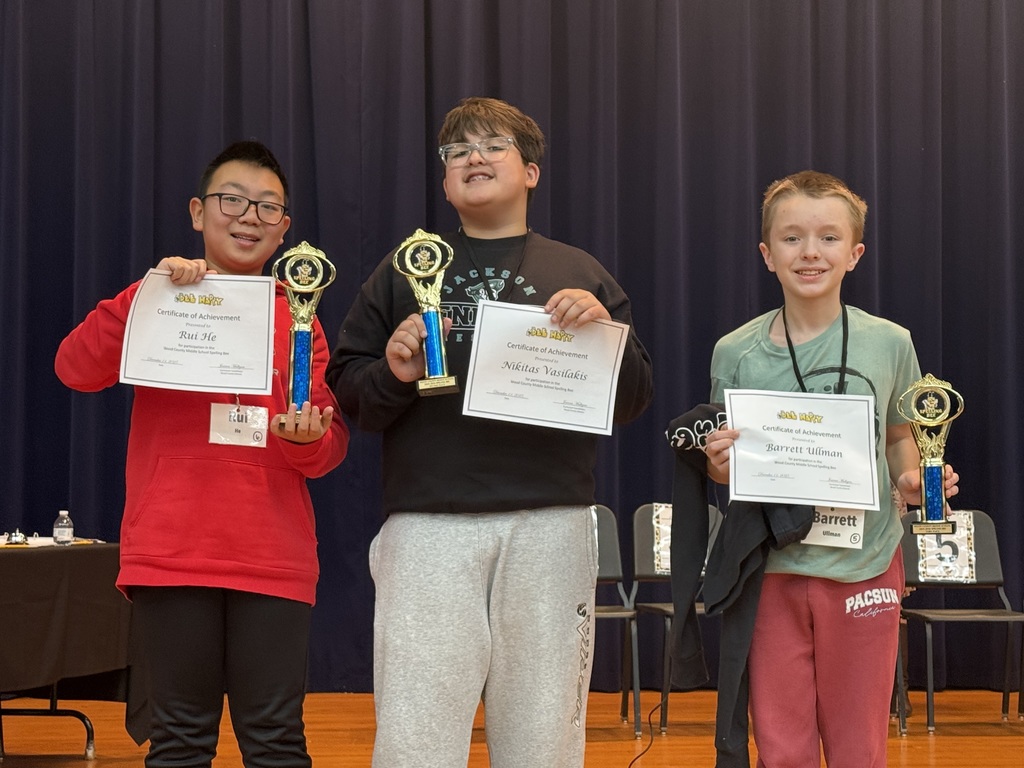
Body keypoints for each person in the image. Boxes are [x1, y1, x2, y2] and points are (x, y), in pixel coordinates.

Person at [326, 96, 653, 767]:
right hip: (428, 527)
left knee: (543, 732)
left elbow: (633, 400)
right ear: (445, 181)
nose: (473, 157)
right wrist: (393, 370)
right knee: (417, 731)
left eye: (492, 144)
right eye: (456, 151)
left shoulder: (581, 274)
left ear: (530, 171)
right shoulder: (404, 267)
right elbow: (351, 395)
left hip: (553, 523)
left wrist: (604, 338)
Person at [55, 140, 349, 768]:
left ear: (285, 228)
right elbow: (75, 368)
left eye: (268, 207)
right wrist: (145, 294)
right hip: (172, 549)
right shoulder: (156, 298)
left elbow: (326, 450)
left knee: (275, 740)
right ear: (197, 212)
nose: (249, 216)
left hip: (272, 555)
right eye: (232, 200)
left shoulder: (301, 318)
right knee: (181, 740)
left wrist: (308, 440)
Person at [703, 170, 958, 767]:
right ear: (767, 255)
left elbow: (900, 439)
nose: (810, 252)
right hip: (769, 570)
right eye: (792, 239)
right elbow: (726, 473)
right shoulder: (734, 351)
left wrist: (911, 479)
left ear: (854, 253)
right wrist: (718, 466)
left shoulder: (890, 343)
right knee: (781, 743)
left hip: (865, 562)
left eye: (828, 238)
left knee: (857, 743)